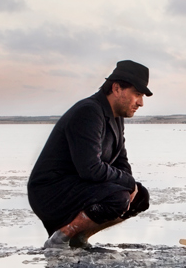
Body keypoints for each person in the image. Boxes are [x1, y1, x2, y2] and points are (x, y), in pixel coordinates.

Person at [28, 59, 153, 249]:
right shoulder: (89, 112)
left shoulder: (115, 117)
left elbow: (121, 160)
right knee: (118, 198)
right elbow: (90, 168)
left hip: (78, 185)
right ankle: (62, 237)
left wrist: (131, 186)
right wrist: (128, 183)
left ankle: (79, 238)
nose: (141, 103)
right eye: (137, 94)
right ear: (117, 88)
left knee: (140, 198)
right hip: (51, 191)